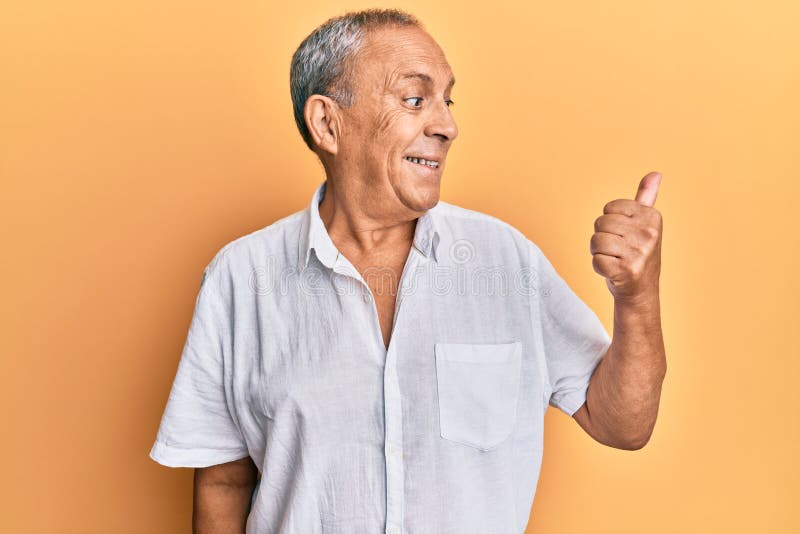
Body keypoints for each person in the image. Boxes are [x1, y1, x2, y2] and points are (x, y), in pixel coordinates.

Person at [149, 8, 667, 534]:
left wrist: (638, 296)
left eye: (447, 100)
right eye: (415, 100)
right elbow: (223, 482)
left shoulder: (508, 261)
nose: (447, 126)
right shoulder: (240, 278)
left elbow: (622, 424)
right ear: (328, 123)